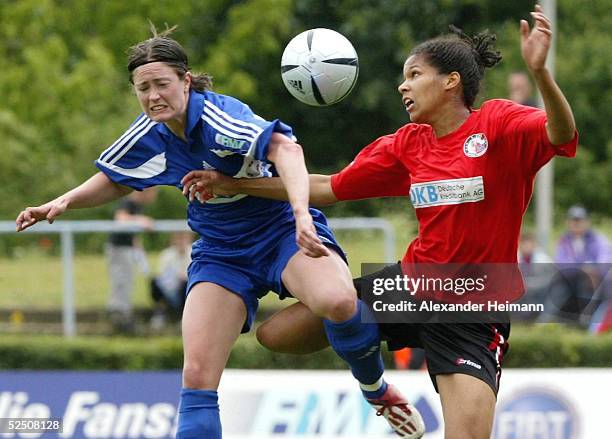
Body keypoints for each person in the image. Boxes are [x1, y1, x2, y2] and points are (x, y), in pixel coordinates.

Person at [182, 6, 578, 438]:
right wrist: (233, 184)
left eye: (414, 74)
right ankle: (378, 386)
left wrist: (540, 74)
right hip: (409, 287)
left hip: (473, 310)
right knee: (277, 334)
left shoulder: (499, 124)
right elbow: (326, 186)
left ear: (451, 81)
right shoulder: (407, 144)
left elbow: (560, 134)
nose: (402, 85)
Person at [14, 27, 423, 439]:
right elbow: (117, 178)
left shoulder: (219, 118)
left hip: (279, 231)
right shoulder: (149, 133)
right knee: (196, 377)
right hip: (221, 252)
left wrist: (301, 213)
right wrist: (63, 201)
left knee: (337, 300)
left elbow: (287, 150)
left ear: (185, 81)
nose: (153, 95)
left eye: (161, 84)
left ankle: (376, 390)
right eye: (143, 88)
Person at [540, 205, 611, 325]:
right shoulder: (563, 240)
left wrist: (592, 269)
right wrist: (582, 268)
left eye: (579, 221)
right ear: (568, 222)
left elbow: (605, 259)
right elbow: (561, 263)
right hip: (568, 280)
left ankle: (587, 322)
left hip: (592, 282)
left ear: (587, 222)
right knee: (555, 287)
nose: (576, 224)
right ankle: (545, 322)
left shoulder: (598, 239)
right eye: (573, 221)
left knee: (589, 282)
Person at [106, 187, 157, 334]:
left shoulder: (137, 206)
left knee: (127, 279)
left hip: (128, 248)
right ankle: (118, 315)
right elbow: (121, 219)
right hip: (119, 248)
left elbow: (133, 235)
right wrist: (142, 221)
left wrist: (139, 252)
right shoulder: (128, 202)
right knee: (121, 280)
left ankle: (124, 313)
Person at [149, 230, 193, 330]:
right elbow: (162, 274)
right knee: (155, 282)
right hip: (170, 287)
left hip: (185, 288)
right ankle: (159, 313)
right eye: (178, 238)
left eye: (183, 238)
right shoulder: (167, 254)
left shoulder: (194, 253)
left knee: (186, 283)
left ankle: (185, 316)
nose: (181, 241)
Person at [515, 230, 553, 321]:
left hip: (540, 289)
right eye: (524, 244)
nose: (527, 247)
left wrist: (530, 285)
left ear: (534, 244)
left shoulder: (543, 259)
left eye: (529, 244)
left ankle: (542, 317)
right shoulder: (516, 257)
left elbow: (549, 279)